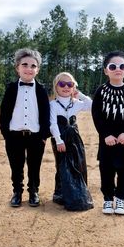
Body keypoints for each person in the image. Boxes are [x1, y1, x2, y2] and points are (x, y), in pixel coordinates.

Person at [91, 50, 124, 215]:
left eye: (122, 66)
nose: (117, 69)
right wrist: (105, 134)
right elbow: (96, 114)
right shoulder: (101, 91)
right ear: (106, 70)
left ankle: (121, 199)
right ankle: (107, 199)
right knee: (106, 170)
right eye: (112, 66)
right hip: (107, 140)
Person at [0, 48, 50, 207]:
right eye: (25, 65)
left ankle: (34, 191)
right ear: (17, 68)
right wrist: (6, 133)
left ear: (38, 69)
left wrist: (43, 135)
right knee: (16, 166)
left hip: (36, 136)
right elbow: (4, 113)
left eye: (33, 66)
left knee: (35, 166)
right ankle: (17, 192)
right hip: (14, 135)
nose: (29, 68)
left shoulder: (42, 90)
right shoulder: (11, 89)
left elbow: (45, 114)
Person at [50, 72, 94, 211]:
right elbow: (52, 124)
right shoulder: (53, 105)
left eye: (70, 84)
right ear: (56, 86)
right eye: (62, 84)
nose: (66, 87)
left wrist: (79, 94)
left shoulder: (77, 104)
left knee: (78, 165)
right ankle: (63, 194)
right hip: (61, 140)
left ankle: (78, 194)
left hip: (75, 139)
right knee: (63, 166)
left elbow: (92, 105)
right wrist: (58, 141)